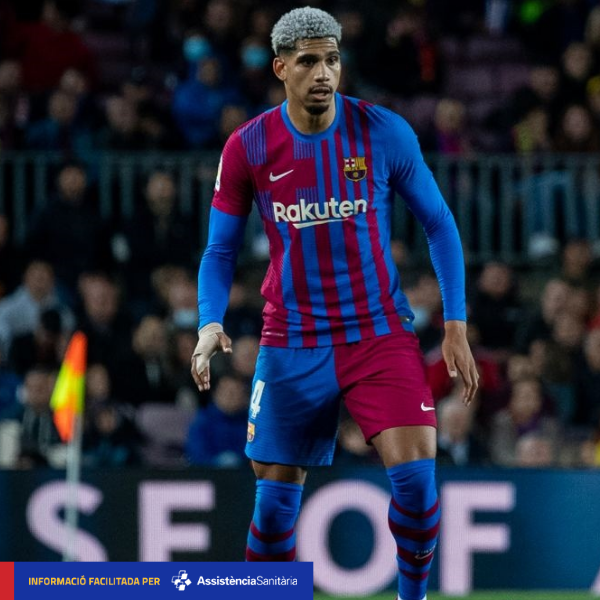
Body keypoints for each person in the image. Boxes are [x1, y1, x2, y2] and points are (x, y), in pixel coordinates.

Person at [190, 8, 478, 600]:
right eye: (308, 62)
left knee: (418, 491)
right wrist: (208, 322)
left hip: (379, 333)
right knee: (273, 512)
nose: (323, 73)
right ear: (280, 68)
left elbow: (440, 224)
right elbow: (219, 249)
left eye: (332, 59)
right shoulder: (248, 146)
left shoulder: (383, 131)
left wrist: (455, 324)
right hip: (292, 341)